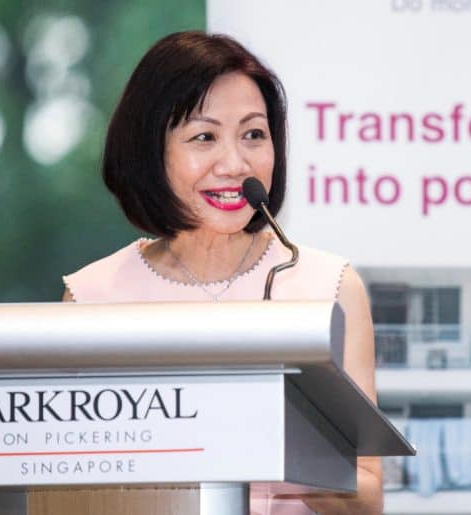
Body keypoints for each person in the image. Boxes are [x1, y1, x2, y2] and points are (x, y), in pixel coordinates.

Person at [62, 31, 382, 515]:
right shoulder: (92, 298)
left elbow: (370, 493)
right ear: (151, 152)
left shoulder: (330, 288)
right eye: (204, 137)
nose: (235, 164)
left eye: (254, 134)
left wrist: (281, 457)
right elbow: (70, 483)